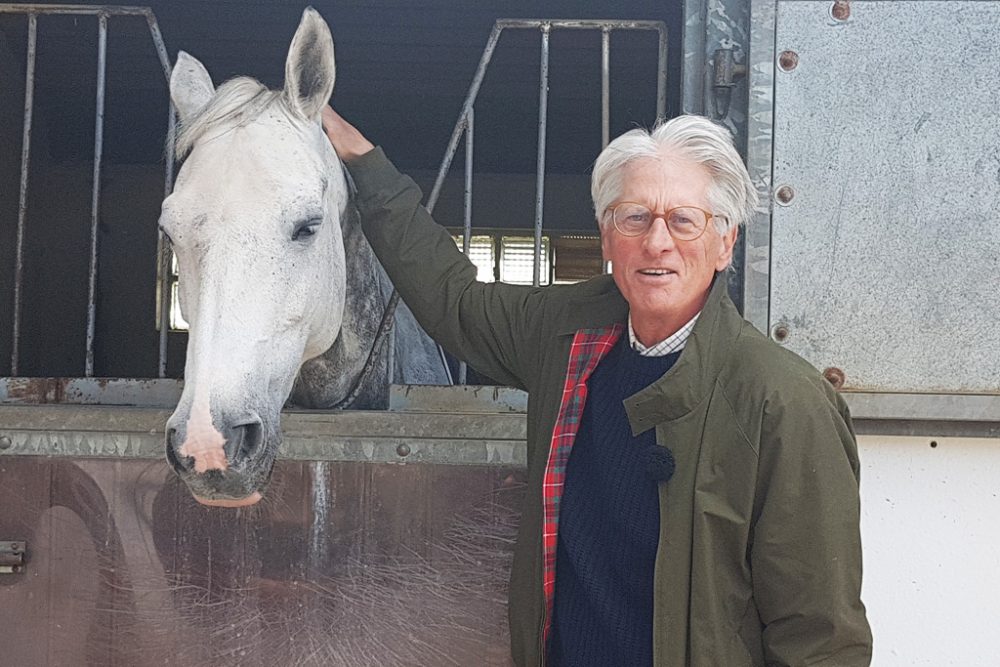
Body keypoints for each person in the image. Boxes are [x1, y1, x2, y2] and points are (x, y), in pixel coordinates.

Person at [321, 106, 873, 666]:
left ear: (724, 244)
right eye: (634, 217)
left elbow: (820, 639)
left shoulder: (782, 401)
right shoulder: (567, 331)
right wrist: (366, 166)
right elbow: (456, 302)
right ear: (607, 237)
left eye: (684, 220)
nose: (657, 242)